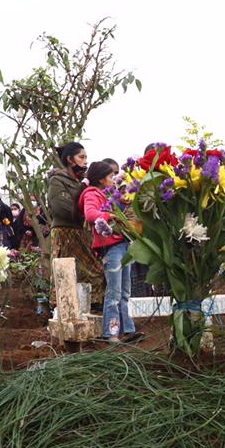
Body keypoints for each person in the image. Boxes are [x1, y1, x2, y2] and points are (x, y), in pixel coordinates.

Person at [81, 161, 140, 343]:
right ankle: (111, 333)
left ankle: (128, 330)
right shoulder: (92, 194)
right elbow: (90, 214)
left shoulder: (111, 194)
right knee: (114, 293)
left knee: (125, 292)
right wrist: (110, 215)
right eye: (109, 176)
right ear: (100, 179)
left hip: (124, 245)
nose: (113, 179)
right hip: (111, 249)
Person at [47, 142, 105, 307]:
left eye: (86, 157)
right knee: (65, 273)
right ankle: (63, 310)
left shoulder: (85, 183)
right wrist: (85, 210)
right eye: (81, 157)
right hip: (64, 233)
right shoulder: (57, 180)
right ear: (70, 159)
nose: (85, 161)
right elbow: (61, 208)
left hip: (82, 233)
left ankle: (91, 307)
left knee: (96, 270)